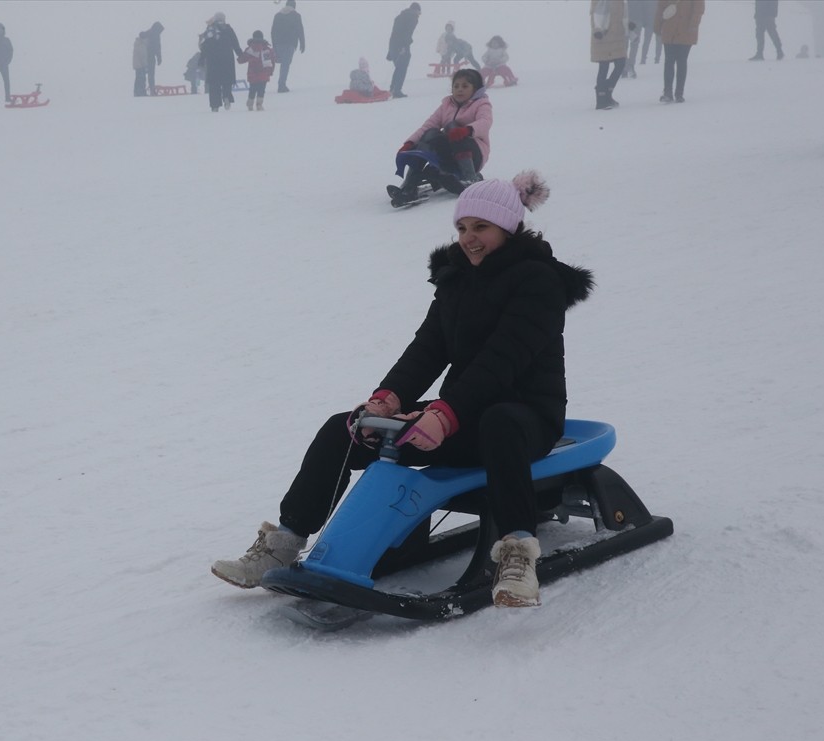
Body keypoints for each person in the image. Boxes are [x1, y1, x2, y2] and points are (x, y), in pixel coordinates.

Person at [211, 171, 595, 610]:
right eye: (462, 228)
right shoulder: (457, 279)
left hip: (524, 418)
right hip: (463, 414)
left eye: (481, 228)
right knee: (345, 429)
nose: (469, 239)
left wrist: (443, 415)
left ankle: (516, 553)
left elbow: (501, 363)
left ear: (508, 227)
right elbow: (428, 349)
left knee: (499, 421)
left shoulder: (539, 283)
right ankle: (285, 540)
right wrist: (387, 400)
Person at [388, 68, 491, 204]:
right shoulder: (446, 105)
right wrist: (410, 143)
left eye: (465, 86)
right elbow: (428, 125)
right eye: (456, 86)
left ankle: (470, 178)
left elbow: (485, 122)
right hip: (450, 154)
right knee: (430, 134)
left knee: (453, 128)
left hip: (473, 155)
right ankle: (409, 186)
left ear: (475, 89)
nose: (460, 89)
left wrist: (467, 130)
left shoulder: (481, 104)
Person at [655, 0, 705, 103]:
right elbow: (661, 6)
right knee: (669, 61)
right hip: (670, 29)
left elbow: (698, 9)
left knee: (681, 61)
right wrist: (657, 24)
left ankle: (679, 93)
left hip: (685, 30)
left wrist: (693, 25)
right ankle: (668, 92)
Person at [200, 12, 243, 111]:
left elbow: (205, 46)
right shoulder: (228, 29)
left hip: (213, 61)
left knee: (214, 83)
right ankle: (226, 96)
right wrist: (240, 55)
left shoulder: (210, 30)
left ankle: (215, 105)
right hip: (227, 59)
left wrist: (202, 59)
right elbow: (235, 43)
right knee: (227, 80)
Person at [590, 0, 627, 110]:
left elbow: (624, 13)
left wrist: (628, 26)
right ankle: (601, 99)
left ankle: (607, 91)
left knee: (621, 63)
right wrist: (597, 29)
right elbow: (595, 15)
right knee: (604, 66)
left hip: (617, 36)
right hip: (603, 35)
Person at [387, 2, 421, 99]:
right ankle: (396, 90)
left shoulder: (401, 16)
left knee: (399, 67)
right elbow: (405, 34)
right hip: (401, 45)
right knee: (402, 67)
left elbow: (395, 33)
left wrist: (391, 50)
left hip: (394, 45)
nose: (419, 15)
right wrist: (403, 47)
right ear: (415, 11)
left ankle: (393, 88)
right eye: (419, 13)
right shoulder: (411, 18)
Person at [271, 0, 305, 93]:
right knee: (285, 65)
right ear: (294, 6)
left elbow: (273, 31)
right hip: (290, 43)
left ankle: (279, 83)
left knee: (282, 63)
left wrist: (274, 45)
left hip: (278, 43)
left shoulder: (277, 15)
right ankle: (281, 85)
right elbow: (300, 30)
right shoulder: (296, 15)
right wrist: (302, 43)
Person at [237, 30, 276, 111]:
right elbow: (272, 61)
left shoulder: (250, 49)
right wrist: (271, 71)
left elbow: (242, 60)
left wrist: (239, 58)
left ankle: (250, 104)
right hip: (264, 74)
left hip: (252, 73)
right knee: (261, 89)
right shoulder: (267, 49)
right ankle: (259, 104)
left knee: (252, 89)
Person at [143, 22, 164, 96]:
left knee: (145, 74)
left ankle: (142, 90)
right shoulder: (155, 35)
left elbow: (141, 35)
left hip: (144, 56)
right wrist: (159, 58)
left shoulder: (148, 33)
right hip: (150, 57)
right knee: (151, 74)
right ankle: (152, 90)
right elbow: (157, 47)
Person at [133, 31, 149, 96]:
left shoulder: (137, 43)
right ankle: (141, 92)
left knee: (138, 79)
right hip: (140, 65)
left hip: (137, 64)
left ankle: (137, 92)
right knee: (142, 79)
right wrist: (145, 66)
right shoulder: (141, 44)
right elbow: (143, 56)